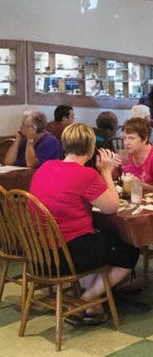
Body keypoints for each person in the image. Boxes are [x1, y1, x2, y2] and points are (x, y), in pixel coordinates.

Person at [28, 123, 139, 324]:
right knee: (129, 251)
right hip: (66, 254)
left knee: (98, 239)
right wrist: (105, 171)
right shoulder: (85, 175)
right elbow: (112, 207)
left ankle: (94, 303)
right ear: (90, 149)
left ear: (64, 145)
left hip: (39, 252)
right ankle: (85, 300)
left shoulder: (46, 167)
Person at [120, 117, 153, 192]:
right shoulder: (125, 155)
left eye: (131, 138)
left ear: (144, 139)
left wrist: (141, 185)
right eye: (124, 138)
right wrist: (112, 167)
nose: (126, 143)